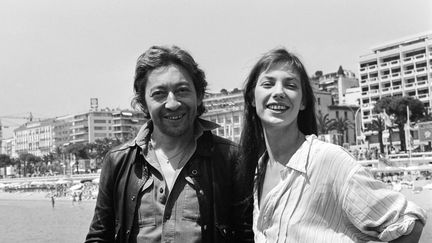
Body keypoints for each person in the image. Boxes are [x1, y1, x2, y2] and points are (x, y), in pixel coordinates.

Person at [239, 47, 427, 243]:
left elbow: (409, 223)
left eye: (291, 85)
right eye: (268, 84)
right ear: (252, 98)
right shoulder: (259, 168)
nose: (278, 92)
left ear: (303, 102)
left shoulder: (328, 160)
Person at [86, 45, 253, 243]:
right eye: (159, 94)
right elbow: (99, 237)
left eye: (182, 91)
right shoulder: (119, 161)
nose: (172, 103)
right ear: (143, 103)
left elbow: (245, 235)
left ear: (199, 96)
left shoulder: (229, 158)